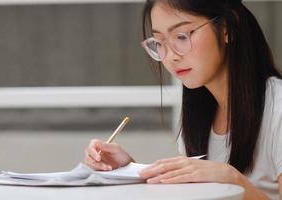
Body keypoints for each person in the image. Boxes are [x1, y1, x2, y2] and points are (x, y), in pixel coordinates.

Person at [84, 0, 282, 199]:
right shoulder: (200, 112)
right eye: (159, 43)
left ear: (226, 29)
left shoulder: (277, 107)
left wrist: (232, 179)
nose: (170, 56)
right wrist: (130, 171)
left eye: (181, 36)